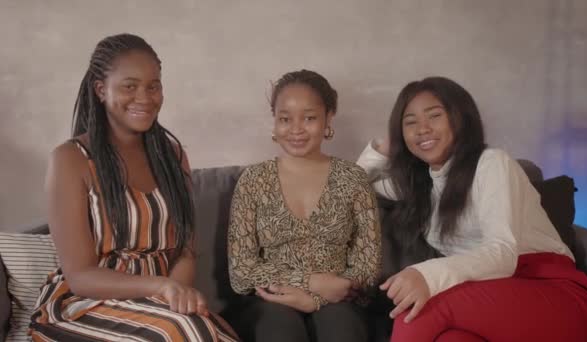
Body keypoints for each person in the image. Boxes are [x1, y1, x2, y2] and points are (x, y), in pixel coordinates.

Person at [357, 76, 587, 341]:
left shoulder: (491, 163)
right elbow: (353, 188)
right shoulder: (420, 185)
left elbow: (503, 253)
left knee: (419, 310)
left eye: (434, 116)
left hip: (553, 297)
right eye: (410, 123)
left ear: (460, 117)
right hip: (488, 303)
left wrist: (425, 274)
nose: (422, 129)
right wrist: (384, 148)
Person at [29, 33, 238, 342]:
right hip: (87, 305)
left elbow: (185, 252)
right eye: (130, 86)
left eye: (153, 86)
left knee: (209, 331)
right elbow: (80, 276)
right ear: (101, 90)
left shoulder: (172, 156)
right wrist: (159, 288)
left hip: (159, 303)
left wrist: (174, 296)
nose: (145, 97)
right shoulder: (70, 159)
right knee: (182, 331)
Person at [226, 69, 381, 342]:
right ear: (275, 122)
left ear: (328, 118)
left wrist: (317, 299)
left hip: (338, 300)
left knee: (341, 330)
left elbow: (367, 265)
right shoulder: (254, 180)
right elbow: (241, 272)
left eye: (309, 118)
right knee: (279, 330)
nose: (296, 129)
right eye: (285, 119)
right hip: (272, 300)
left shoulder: (353, 178)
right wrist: (310, 283)